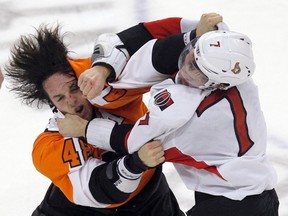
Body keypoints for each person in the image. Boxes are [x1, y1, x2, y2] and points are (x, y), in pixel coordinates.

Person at [5, 13, 223, 216]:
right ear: (50, 103)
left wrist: (193, 37)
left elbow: (146, 53)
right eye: (60, 98)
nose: (72, 102)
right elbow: (102, 191)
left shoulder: (107, 86)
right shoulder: (49, 146)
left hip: (150, 199)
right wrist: (136, 163)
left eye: (74, 88)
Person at [71, 29, 280, 215]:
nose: (186, 67)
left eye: (197, 70)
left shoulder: (188, 120)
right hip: (262, 198)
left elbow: (136, 143)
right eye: (192, 53)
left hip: (229, 205)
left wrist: (85, 128)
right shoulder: (239, 78)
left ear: (217, 84)